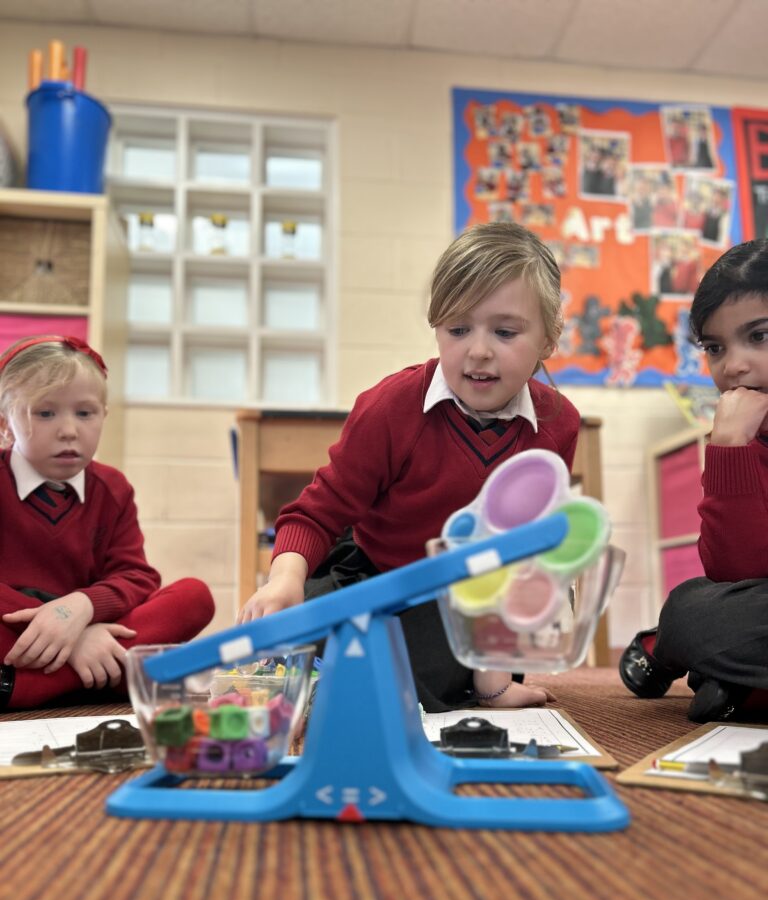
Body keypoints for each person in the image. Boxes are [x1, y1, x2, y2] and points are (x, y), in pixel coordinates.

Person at [238, 222, 582, 712]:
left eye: (505, 332)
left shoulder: (558, 425)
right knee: (310, 632)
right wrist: (284, 581)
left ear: (549, 338)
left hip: (474, 601)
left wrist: (496, 678)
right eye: (457, 329)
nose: (478, 350)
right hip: (373, 576)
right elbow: (315, 514)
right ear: (436, 326)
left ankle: (457, 673)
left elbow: (525, 553)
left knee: (539, 595)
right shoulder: (391, 406)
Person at [0, 335, 215, 710]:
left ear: (103, 415)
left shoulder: (113, 488)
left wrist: (80, 610)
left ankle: (42, 686)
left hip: (68, 637)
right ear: (5, 425)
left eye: (85, 413)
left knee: (193, 596)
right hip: (15, 632)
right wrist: (74, 637)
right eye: (45, 413)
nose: (69, 430)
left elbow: (136, 577)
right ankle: (112, 673)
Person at [619, 239, 768, 722]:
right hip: (754, 607)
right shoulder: (739, 436)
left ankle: (732, 683)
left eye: (759, 336)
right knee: (692, 606)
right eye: (715, 348)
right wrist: (729, 448)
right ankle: (723, 669)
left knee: (703, 617)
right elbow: (734, 572)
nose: (733, 366)